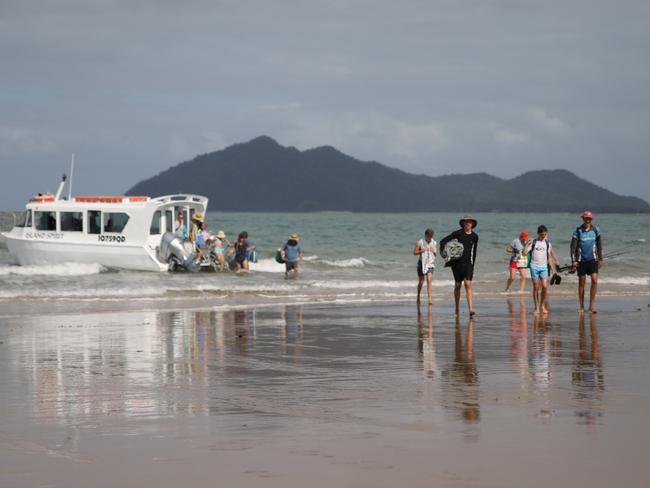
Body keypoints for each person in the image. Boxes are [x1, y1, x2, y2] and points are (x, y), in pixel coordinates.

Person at [440, 215, 479, 316]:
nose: (468, 223)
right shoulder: (458, 233)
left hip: (468, 264)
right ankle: (457, 307)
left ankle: (471, 309)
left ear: (472, 224)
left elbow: (474, 253)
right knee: (458, 286)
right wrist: (444, 253)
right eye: (466, 222)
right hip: (457, 264)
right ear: (463, 223)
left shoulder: (475, 237)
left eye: (470, 222)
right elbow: (443, 241)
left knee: (468, 284)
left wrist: (473, 266)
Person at [571, 210, 603, 314]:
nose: (588, 220)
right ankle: (581, 306)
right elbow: (573, 247)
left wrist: (600, 258)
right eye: (586, 218)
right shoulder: (577, 231)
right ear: (583, 219)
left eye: (589, 219)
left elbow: (599, 245)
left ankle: (592, 305)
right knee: (582, 283)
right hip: (581, 261)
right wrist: (573, 260)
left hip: (593, 260)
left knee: (594, 281)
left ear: (591, 219)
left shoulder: (596, 230)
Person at [524, 225, 557, 316]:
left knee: (545, 287)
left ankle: (542, 306)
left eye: (545, 234)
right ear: (538, 234)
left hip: (544, 267)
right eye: (542, 235)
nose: (543, 236)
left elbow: (549, 258)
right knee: (536, 287)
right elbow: (524, 253)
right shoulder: (533, 242)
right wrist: (527, 244)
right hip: (534, 266)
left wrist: (553, 270)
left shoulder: (547, 244)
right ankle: (536, 307)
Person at [413, 228, 437, 305]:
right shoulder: (420, 242)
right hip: (421, 263)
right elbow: (414, 252)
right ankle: (418, 296)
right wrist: (421, 251)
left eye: (431, 236)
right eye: (429, 236)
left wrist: (433, 251)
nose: (430, 238)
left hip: (430, 263)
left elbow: (435, 254)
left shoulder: (434, 242)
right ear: (425, 235)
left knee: (429, 280)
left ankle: (430, 299)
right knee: (421, 281)